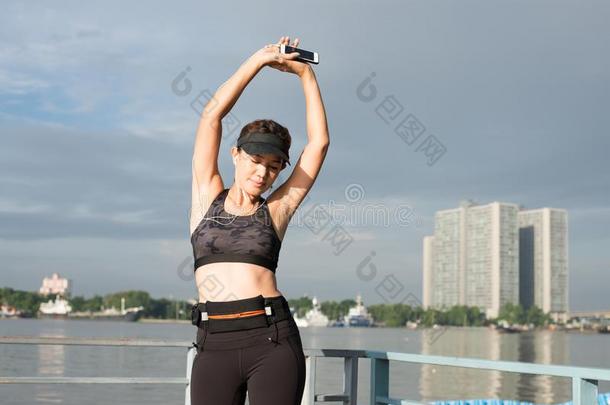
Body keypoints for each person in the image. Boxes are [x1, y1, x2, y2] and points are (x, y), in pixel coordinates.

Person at [189, 36, 330, 405]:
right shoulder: (207, 197)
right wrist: (259, 61)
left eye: (273, 167)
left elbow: (318, 145)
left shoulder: (276, 210)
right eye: (255, 162)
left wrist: (306, 76)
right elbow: (211, 117)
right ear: (235, 155)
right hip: (213, 343)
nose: (262, 174)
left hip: (271, 340)